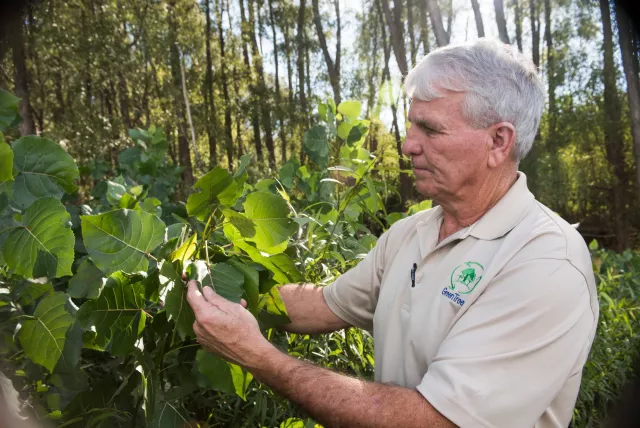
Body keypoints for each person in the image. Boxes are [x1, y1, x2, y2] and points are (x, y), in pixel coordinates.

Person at [187, 38, 599, 428]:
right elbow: (324, 305)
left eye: (430, 130)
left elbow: (437, 420)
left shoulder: (545, 262)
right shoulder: (411, 233)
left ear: (498, 141)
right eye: (410, 127)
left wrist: (259, 356)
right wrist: (208, 291)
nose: (407, 146)